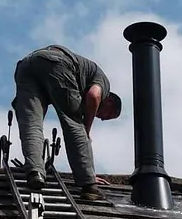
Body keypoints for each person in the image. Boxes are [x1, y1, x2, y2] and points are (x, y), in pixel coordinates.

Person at [12, 44, 122, 201]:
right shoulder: (104, 82)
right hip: (57, 63)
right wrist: (87, 128)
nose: (102, 118)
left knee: (31, 124)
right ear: (109, 101)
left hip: (27, 66)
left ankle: (35, 172)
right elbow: (93, 95)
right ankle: (88, 185)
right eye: (108, 115)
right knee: (74, 124)